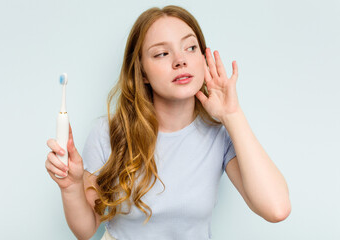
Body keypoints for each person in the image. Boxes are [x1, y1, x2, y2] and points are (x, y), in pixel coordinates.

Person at [45, 5, 291, 240]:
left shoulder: (220, 136)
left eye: (191, 48)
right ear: (142, 73)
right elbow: (85, 231)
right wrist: (71, 187)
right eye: (162, 53)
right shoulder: (108, 133)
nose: (180, 60)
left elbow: (276, 209)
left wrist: (233, 115)